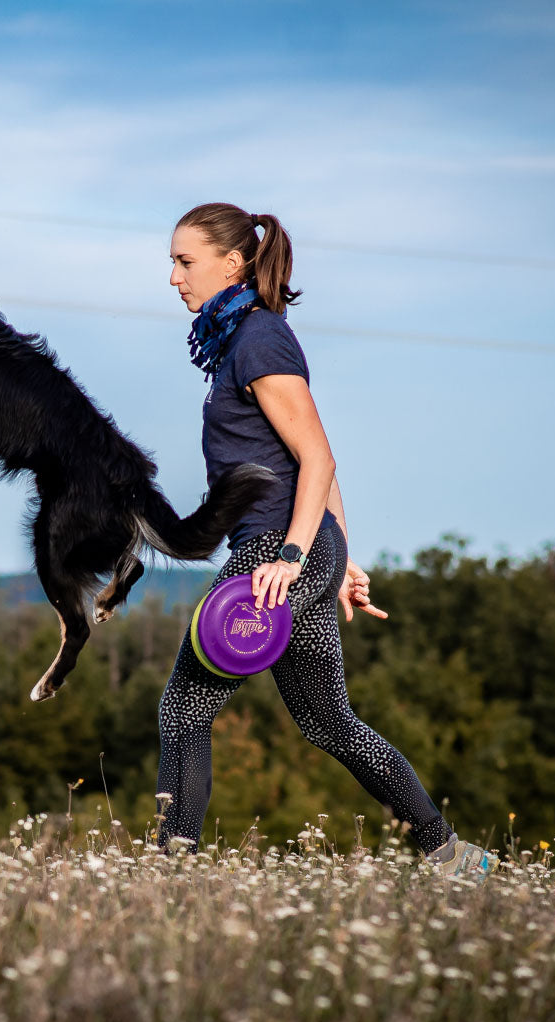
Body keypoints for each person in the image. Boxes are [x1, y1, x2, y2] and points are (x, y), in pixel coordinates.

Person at [155, 202, 492, 878]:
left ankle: (169, 878)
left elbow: (318, 457)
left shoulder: (258, 341)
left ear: (234, 263)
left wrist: (295, 556)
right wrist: (339, 559)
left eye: (184, 261)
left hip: (273, 552)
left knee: (183, 709)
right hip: (300, 548)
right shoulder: (239, 342)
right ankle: (454, 859)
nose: (172, 278)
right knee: (328, 721)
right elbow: (309, 459)